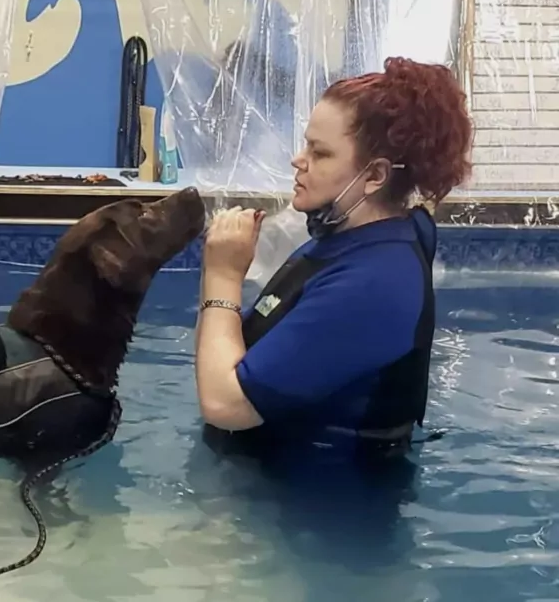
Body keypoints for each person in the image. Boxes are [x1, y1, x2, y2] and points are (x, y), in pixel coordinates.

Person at [193, 56, 473, 462]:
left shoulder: (374, 283)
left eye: (320, 153)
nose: (298, 159)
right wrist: (218, 266)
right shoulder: (350, 240)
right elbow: (220, 363)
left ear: (375, 176)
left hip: (317, 508)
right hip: (277, 482)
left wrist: (222, 275)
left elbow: (225, 405)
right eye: (306, 143)